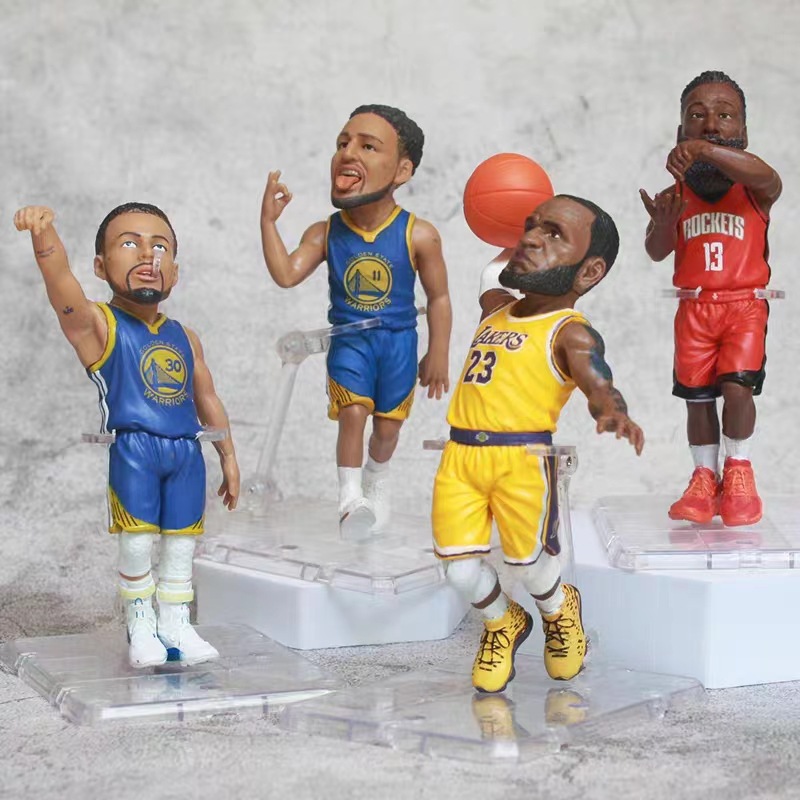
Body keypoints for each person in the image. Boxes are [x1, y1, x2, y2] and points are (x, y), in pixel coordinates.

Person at [432, 195, 644, 693]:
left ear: (589, 271)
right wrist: (508, 216)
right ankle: (503, 621)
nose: (531, 238)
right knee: (457, 569)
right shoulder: (496, 308)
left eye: (553, 235)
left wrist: (612, 410)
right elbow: (492, 272)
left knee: (528, 564)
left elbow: (598, 381)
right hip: (460, 455)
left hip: (522, 458)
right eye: (530, 227)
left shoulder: (570, 333)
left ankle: (558, 609)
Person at [14, 203, 240, 668]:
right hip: (136, 449)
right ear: (100, 266)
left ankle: (175, 622)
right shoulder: (98, 325)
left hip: (186, 452)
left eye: (160, 246)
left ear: (175, 269)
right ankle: (140, 622)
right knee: (136, 541)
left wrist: (228, 455)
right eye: (129, 243)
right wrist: (44, 237)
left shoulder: (185, 336)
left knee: (182, 543)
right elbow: (61, 285)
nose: (147, 255)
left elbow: (207, 397)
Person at [260, 104, 451, 538]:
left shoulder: (419, 234)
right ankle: (349, 500)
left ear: (402, 170)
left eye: (368, 146)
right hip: (351, 341)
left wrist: (437, 351)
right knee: (353, 411)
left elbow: (439, 297)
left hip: (398, 343)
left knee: (387, 428)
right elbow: (286, 274)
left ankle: (376, 479)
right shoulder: (325, 232)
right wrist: (268, 222)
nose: (348, 153)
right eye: (343, 143)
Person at [640, 70, 781, 527]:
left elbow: (770, 174)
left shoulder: (755, 189)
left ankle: (739, 471)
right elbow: (656, 250)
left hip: (743, 304)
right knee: (697, 398)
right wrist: (664, 225)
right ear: (680, 130)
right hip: (694, 307)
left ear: (743, 131)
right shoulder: (675, 195)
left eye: (725, 115)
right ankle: (704, 478)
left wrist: (703, 150)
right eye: (697, 116)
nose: (712, 124)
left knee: (737, 388)